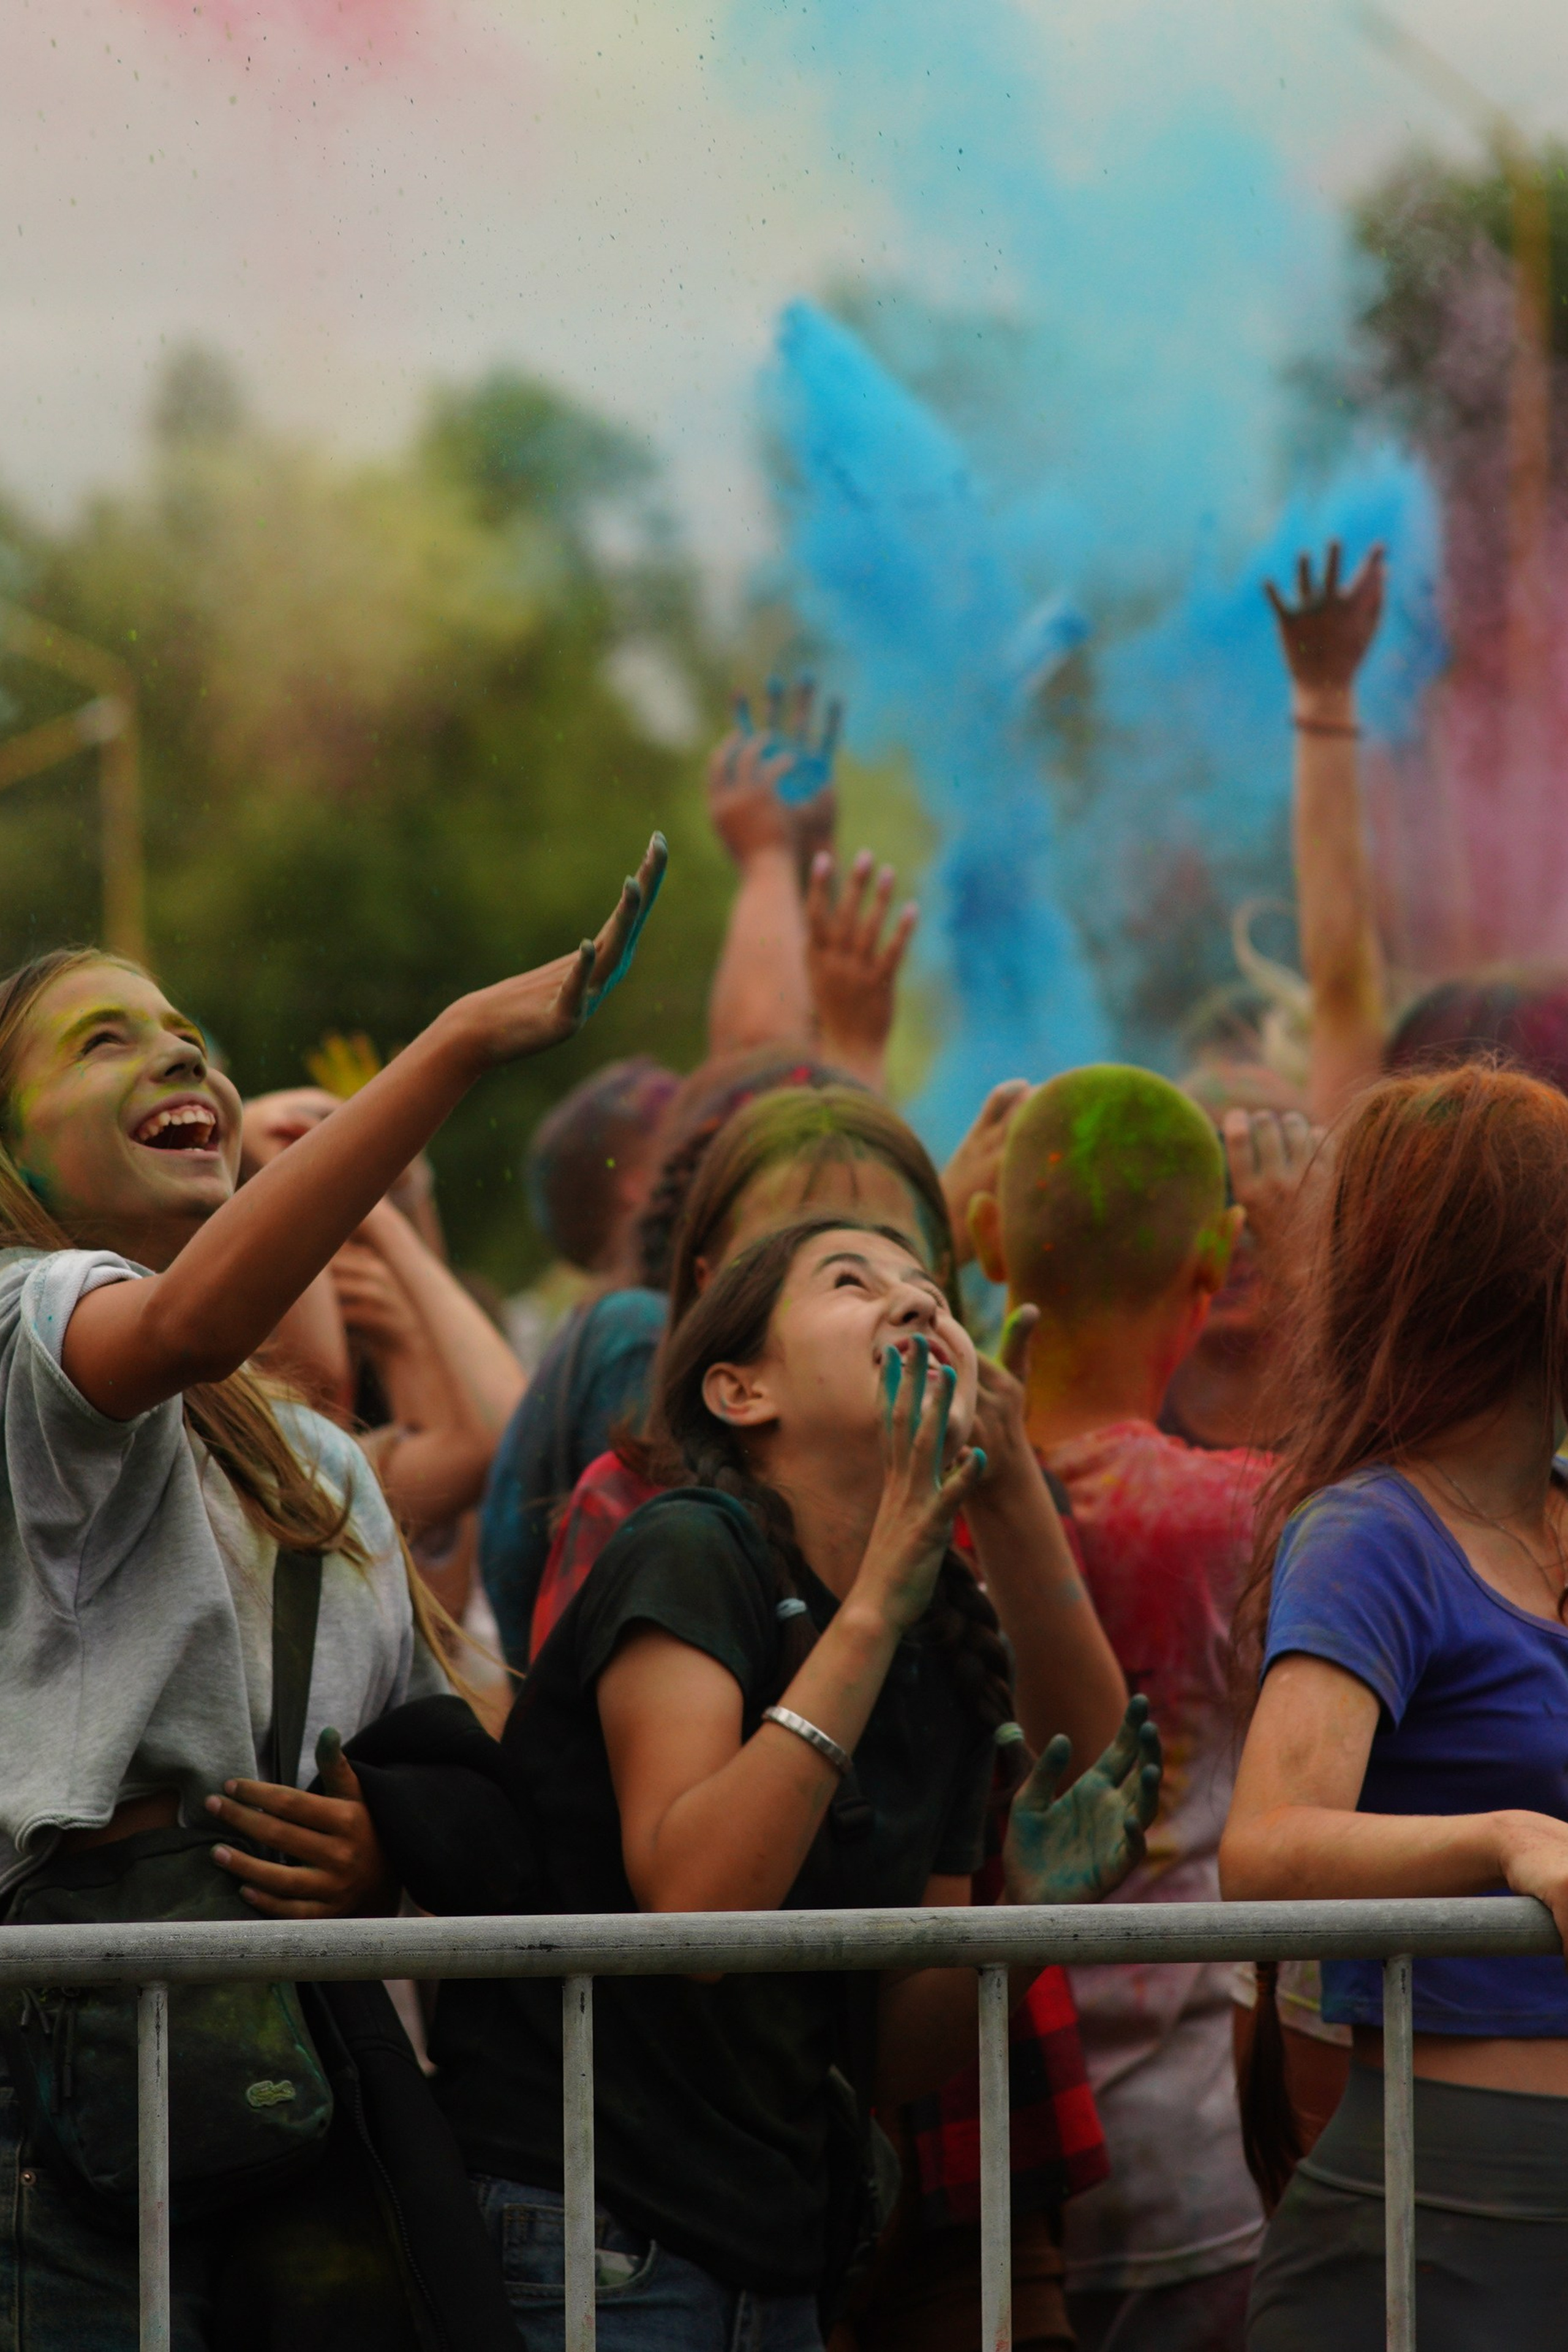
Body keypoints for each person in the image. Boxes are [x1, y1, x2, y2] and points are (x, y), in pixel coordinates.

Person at [0, 832, 665, 2347]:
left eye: (184, 1032)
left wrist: (388, 1841)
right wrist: (453, 1045)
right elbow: (175, 1327)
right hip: (55, 2093)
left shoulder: (317, 1463)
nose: (177, 1049)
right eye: (104, 1037)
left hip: (295, 2069)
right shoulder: (16, 1321)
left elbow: (462, 1747)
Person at [429, 1212, 1163, 2352]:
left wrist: (1024, 1920)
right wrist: (875, 1603)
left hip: (772, 2251)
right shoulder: (691, 1550)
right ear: (739, 1392)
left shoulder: (944, 1643)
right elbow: (698, 1912)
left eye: (929, 1288)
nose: (917, 1302)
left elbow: (892, 2051)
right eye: (852, 1281)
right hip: (594, 2231)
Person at [1222, 1063, 1568, 2350]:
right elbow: (1262, 1851)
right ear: (1516, 1277)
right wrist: (1505, 1842)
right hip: (1452, 2213)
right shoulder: (1373, 1534)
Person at [971, 1067, 1311, 2350]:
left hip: (980, 2135)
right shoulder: (1234, 1515)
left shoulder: (904, 1488)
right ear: (1213, 1265)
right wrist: (1311, 1253)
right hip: (1185, 2150)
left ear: (990, 1240)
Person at [1262, 538, 1389, 1123]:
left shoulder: (1345, 1196)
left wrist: (1324, 696)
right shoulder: (1352, 1185)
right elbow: (1342, 993)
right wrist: (1325, 695)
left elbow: (1343, 991)